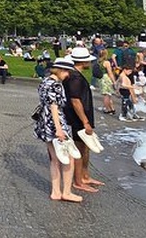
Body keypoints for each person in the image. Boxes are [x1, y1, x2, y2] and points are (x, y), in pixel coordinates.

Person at [34, 58, 82, 203]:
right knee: (69, 158)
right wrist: (59, 129)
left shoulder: (44, 82)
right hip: (56, 122)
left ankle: (56, 191)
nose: (67, 75)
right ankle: (66, 192)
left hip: (44, 122)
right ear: (60, 70)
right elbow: (54, 107)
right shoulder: (56, 85)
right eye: (66, 71)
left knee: (54, 159)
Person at [62, 46, 103, 193]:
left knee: (85, 147)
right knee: (79, 149)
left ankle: (84, 176)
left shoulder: (74, 75)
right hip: (78, 118)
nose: (90, 63)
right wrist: (85, 121)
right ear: (83, 62)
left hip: (81, 116)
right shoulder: (75, 77)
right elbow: (75, 101)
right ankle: (78, 181)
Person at [98, 50, 118, 115]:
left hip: (101, 78)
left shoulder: (99, 61)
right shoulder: (107, 62)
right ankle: (108, 109)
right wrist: (114, 81)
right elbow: (110, 73)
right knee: (107, 95)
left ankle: (111, 108)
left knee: (107, 94)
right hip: (106, 78)